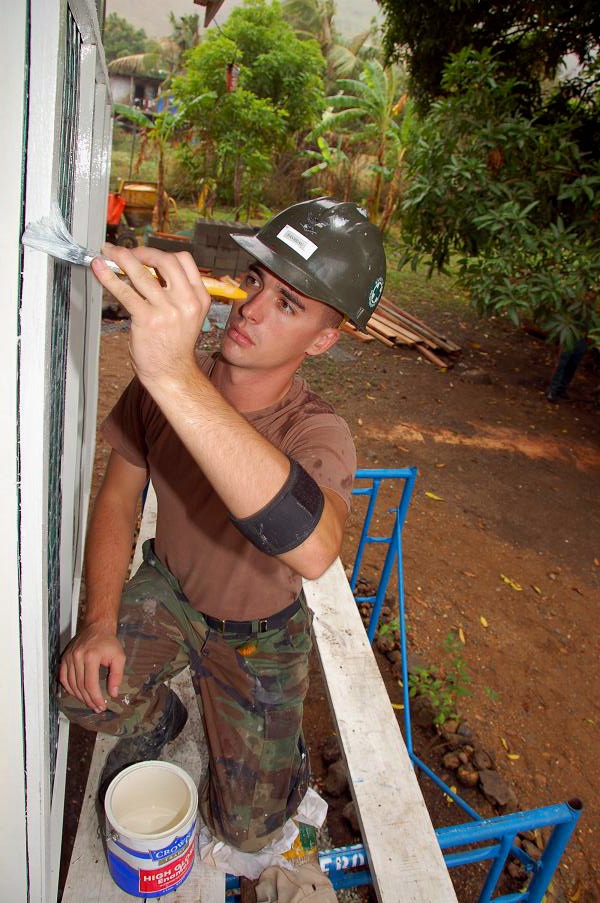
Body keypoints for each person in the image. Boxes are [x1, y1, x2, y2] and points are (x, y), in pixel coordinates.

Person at [58, 197, 386, 855]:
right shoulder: (164, 384)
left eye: (289, 305)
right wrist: (98, 623)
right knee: (86, 694)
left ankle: (273, 752)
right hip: (172, 592)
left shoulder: (317, 432)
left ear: (323, 339)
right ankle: (173, 713)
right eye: (255, 281)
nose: (252, 308)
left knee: (242, 829)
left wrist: (176, 376)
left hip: (261, 635)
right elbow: (119, 497)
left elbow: (316, 549)